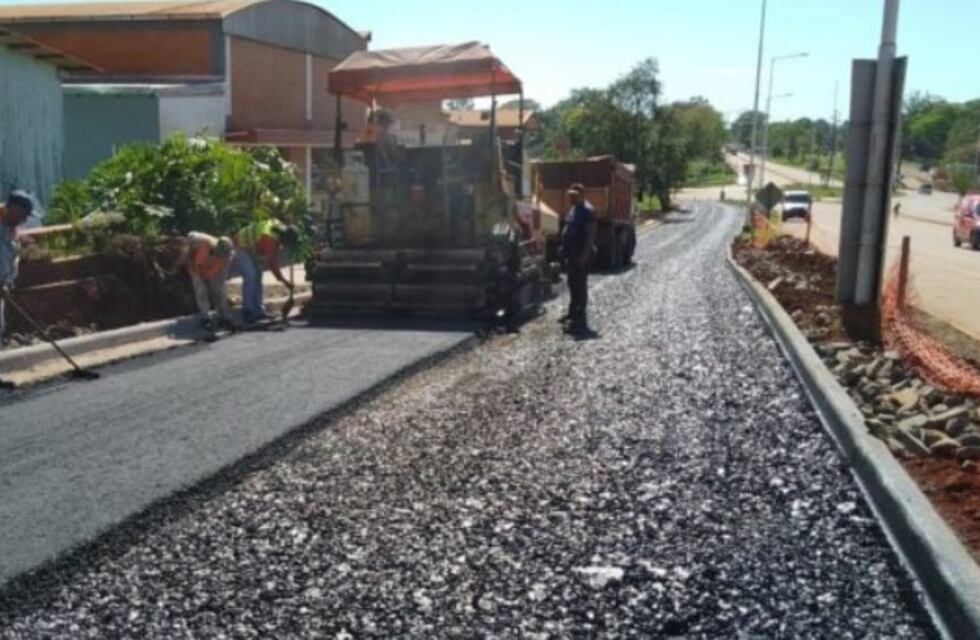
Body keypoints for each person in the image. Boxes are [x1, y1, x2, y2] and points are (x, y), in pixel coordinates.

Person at [231, 220, 298, 325]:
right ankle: (248, 312)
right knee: (250, 276)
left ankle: (258, 311)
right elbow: (272, 264)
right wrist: (285, 282)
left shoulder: (279, 229)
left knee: (258, 277)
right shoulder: (271, 238)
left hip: (252, 249)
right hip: (239, 246)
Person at [0, 191, 35, 390]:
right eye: (23, 214)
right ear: (13, 209)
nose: (24, 220)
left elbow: (12, 258)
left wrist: (8, 282)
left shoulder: (12, 229)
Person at [559, 183, 597, 336]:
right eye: (570, 196)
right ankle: (572, 313)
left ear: (582, 195)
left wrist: (584, 256)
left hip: (580, 255)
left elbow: (590, 236)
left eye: (574, 196)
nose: (571, 198)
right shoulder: (574, 209)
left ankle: (580, 316)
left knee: (580, 286)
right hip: (571, 254)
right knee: (572, 284)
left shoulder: (588, 211)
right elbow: (568, 228)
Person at [186, 232, 236, 331]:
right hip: (196, 262)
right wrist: (200, 276)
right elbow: (197, 266)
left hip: (213, 264)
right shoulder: (203, 245)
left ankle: (224, 316)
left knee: (219, 289)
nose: (220, 257)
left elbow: (216, 270)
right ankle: (205, 317)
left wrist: (210, 273)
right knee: (201, 290)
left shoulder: (228, 255)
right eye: (219, 255)